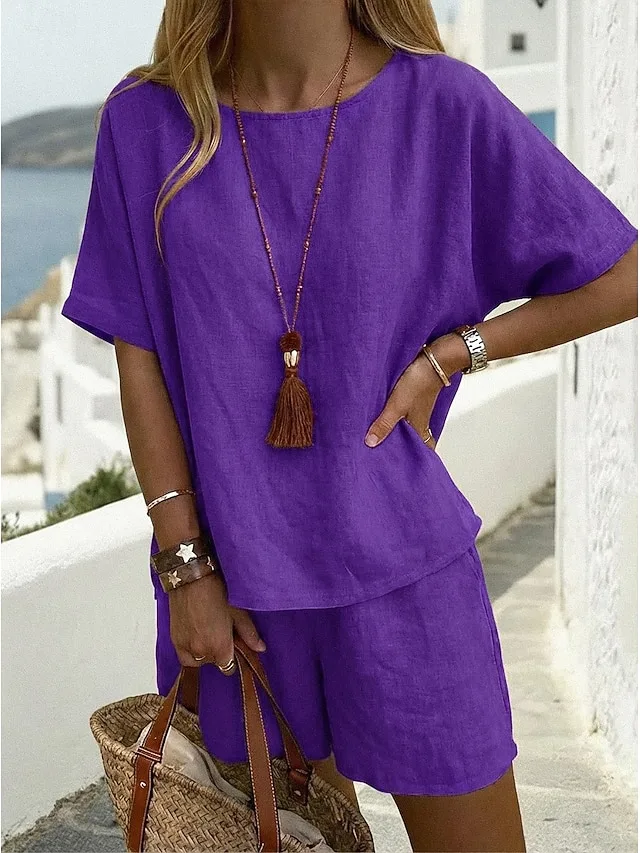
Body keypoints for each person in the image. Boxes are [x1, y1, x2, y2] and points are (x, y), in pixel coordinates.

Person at [60, 1, 638, 850]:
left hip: (408, 579)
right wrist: (185, 568)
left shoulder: (442, 106)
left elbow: (621, 273)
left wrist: (454, 353)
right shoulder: (147, 122)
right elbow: (138, 350)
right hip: (235, 598)